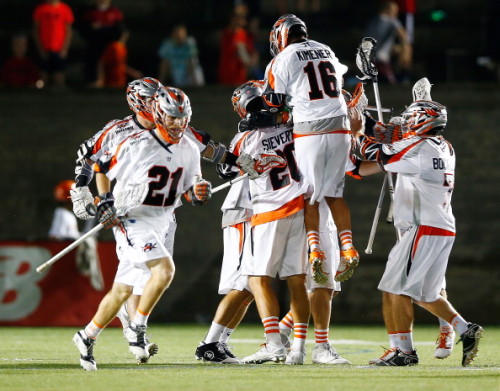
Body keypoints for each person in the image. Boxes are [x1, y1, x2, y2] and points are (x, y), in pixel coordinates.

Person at [72, 86, 212, 371]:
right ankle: (138, 327)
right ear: (160, 115)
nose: (179, 123)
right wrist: (104, 201)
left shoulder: (188, 147)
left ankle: (86, 336)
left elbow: (187, 193)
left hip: (161, 220)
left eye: (183, 117)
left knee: (123, 290)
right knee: (164, 270)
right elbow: (99, 166)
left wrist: (199, 193)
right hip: (132, 220)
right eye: (173, 117)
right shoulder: (137, 143)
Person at [350, 80, 483, 367]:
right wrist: (368, 124)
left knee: (395, 289)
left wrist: (355, 129)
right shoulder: (445, 146)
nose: (405, 123)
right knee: (424, 294)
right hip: (440, 226)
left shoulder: (418, 146)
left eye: (410, 119)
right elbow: (387, 145)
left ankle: (404, 352)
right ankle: (464, 329)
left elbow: (373, 152)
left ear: (421, 121)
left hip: (422, 226)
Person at [219, 80, 310, 365]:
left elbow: (224, 169)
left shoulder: (244, 139)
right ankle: (299, 349)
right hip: (302, 206)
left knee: (257, 279)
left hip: (270, 211)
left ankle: (274, 343)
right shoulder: (297, 127)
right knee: (297, 280)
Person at [264, 14, 359, 286]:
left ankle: (315, 250)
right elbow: (339, 84)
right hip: (340, 128)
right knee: (335, 193)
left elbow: (274, 101)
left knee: (310, 195)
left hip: (309, 130)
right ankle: (348, 248)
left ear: (281, 36)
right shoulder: (325, 48)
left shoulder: (282, 59)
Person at [77, 0, 125, 86]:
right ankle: (93, 81)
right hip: (94, 43)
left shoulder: (115, 12)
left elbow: (120, 29)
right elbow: (82, 27)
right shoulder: (89, 12)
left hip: (109, 44)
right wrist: (91, 27)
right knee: (93, 60)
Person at [364, 0, 412, 84]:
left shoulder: (372, 22)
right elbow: (404, 37)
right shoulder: (392, 21)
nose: (396, 13)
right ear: (388, 9)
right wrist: (405, 53)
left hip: (368, 60)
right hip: (381, 60)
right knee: (390, 87)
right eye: (395, 10)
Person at [32, 0, 74, 89]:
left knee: (59, 77)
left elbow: (69, 31)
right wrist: (41, 50)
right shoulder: (40, 9)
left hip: (59, 49)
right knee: (43, 78)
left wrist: (64, 49)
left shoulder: (65, 9)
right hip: (44, 49)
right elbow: (36, 31)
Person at [217, 4, 259, 86]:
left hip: (239, 77)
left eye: (242, 16)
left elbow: (252, 53)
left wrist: (252, 60)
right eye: (237, 16)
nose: (240, 19)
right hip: (226, 75)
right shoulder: (225, 33)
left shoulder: (244, 34)